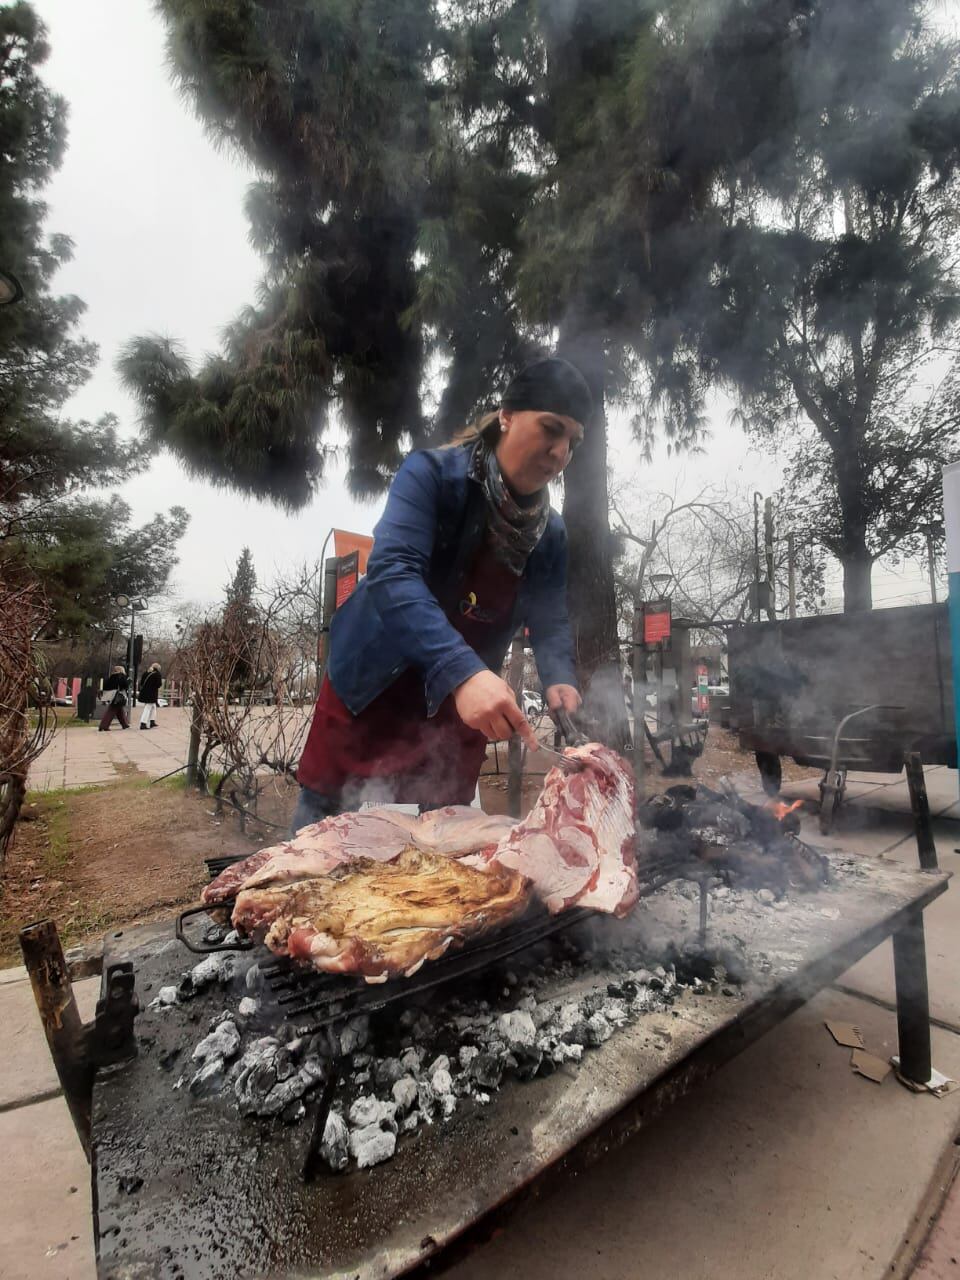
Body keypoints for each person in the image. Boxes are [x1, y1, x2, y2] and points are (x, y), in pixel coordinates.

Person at [293, 355, 590, 833]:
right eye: (551, 429)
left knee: (441, 860)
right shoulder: (432, 476)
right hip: (374, 691)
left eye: (572, 443)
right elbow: (393, 572)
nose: (559, 453)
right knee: (321, 843)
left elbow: (550, 615)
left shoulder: (549, 534)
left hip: (457, 713)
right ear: (507, 415)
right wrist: (464, 672)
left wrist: (559, 675)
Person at [99, 666, 130, 731]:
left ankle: (124, 724)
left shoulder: (112, 677)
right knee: (112, 710)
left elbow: (105, 686)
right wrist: (128, 682)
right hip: (118, 696)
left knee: (119, 710)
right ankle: (104, 725)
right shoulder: (121, 676)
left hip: (111, 695)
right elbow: (124, 685)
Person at [138, 663, 163, 729]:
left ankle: (152, 721)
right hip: (152, 693)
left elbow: (141, 683)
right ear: (158, 668)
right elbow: (159, 684)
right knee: (148, 707)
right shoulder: (157, 674)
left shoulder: (146, 673)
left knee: (153, 707)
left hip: (145, 693)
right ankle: (143, 723)